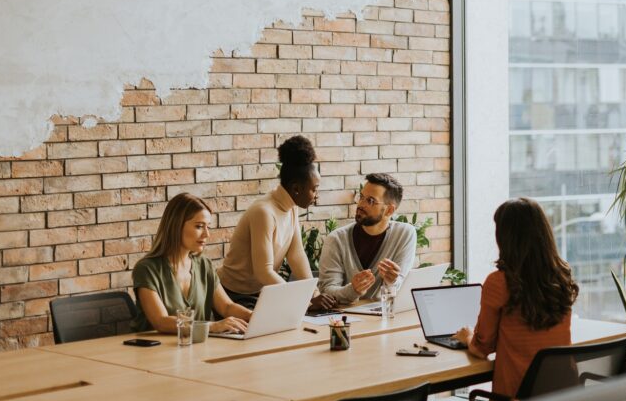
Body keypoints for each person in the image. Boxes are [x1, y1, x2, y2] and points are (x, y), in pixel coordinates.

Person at [453, 198, 579, 401]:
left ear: (506, 237)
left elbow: (480, 349)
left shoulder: (499, 282)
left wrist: (467, 336)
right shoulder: (561, 276)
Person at [217, 135, 336, 312]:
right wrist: (303, 300)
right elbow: (263, 271)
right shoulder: (264, 212)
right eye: (314, 188)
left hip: (262, 292)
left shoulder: (291, 207)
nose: (317, 195)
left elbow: (296, 255)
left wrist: (314, 294)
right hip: (235, 297)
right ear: (296, 189)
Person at [131, 193, 252, 334]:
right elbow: (161, 321)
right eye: (199, 226)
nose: (207, 234)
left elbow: (226, 306)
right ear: (176, 226)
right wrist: (212, 326)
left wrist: (253, 315)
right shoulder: (146, 269)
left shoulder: (204, 265)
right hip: (155, 351)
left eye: (208, 227)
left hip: (196, 349)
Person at [318, 173, 416, 304]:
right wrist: (353, 290)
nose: (361, 204)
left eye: (370, 201)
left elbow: (401, 288)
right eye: (362, 197)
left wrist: (392, 281)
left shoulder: (404, 234)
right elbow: (326, 291)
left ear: (389, 210)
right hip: (345, 319)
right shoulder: (336, 240)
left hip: (385, 318)